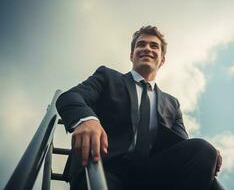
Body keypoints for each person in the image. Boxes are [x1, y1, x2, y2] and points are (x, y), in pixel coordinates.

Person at [56, 25, 224, 190]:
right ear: (132, 54)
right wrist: (87, 120)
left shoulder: (172, 103)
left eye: (154, 46)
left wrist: (209, 157)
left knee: (204, 150)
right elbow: (71, 97)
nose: (147, 49)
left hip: (150, 177)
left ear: (162, 59)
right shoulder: (108, 77)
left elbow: (180, 146)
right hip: (102, 165)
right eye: (141, 44)